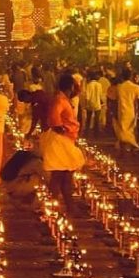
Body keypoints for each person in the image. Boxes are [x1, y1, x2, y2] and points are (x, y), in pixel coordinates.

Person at [42, 73, 84, 215]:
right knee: (59, 175)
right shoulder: (60, 99)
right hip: (60, 140)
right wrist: (63, 129)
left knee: (66, 175)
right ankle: (54, 207)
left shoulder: (63, 98)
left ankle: (68, 206)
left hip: (65, 140)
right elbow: (53, 119)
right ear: (71, 86)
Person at [115, 68, 139, 151]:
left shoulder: (119, 87)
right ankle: (132, 147)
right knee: (131, 130)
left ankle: (124, 149)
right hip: (132, 112)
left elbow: (116, 100)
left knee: (122, 130)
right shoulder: (136, 87)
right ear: (131, 76)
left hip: (121, 111)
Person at [86, 71, 103, 136]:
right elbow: (100, 95)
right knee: (97, 119)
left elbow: (87, 96)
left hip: (90, 104)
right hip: (97, 104)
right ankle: (96, 133)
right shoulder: (99, 85)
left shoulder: (89, 85)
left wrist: (86, 104)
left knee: (88, 119)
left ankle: (87, 133)